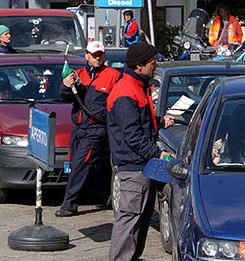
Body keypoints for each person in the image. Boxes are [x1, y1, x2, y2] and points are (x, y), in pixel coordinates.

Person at [107, 42, 174, 260]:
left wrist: (159, 121)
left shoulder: (136, 86)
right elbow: (132, 135)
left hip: (140, 167)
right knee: (129, 224)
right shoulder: (126, 92)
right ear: (139, 66)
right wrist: (157, 154)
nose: (155, 66)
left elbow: (138, 122)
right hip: (134, 169)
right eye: (153, 63)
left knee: (138, 224)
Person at [55, 41, 121, 217]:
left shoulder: (113, 75)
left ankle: (69, 204)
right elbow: (65, 97)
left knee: (80, 166)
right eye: (94, 55)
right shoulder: (79, 75)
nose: (98, 57)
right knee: (80, 165)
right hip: (79, 128)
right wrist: (66, 85)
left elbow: (119, 103)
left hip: (96, 129)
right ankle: (104, 195)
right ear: (87, 56)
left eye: (100, 54)